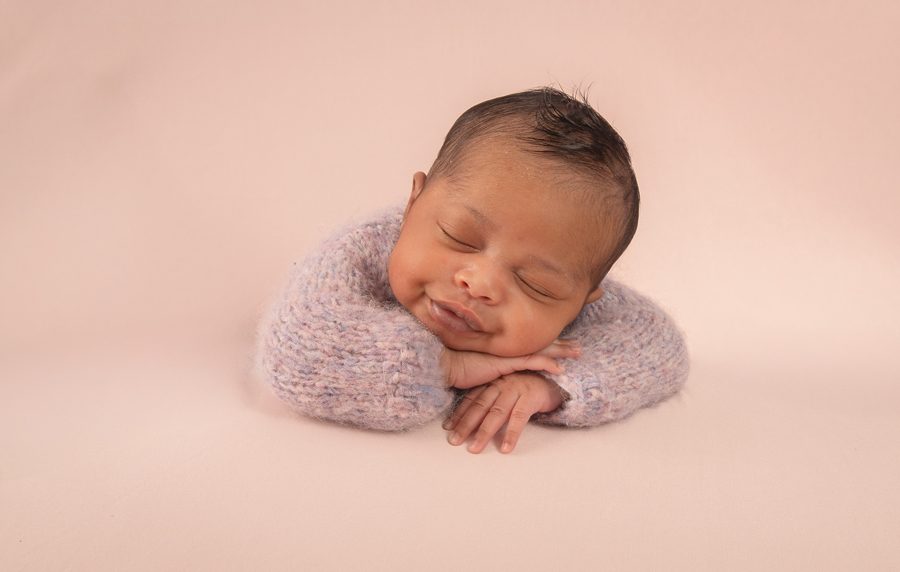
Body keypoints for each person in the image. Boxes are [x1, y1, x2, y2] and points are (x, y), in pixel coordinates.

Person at [258, 88, 689, 454]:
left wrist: (551, 386)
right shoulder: (361, 252)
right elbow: (293, 351)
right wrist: (445, 367)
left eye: (533, 284)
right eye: (459, 237)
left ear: (582, 298)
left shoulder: (573, 286)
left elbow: (659, 346)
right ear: (414, 205)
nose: (479, 283)